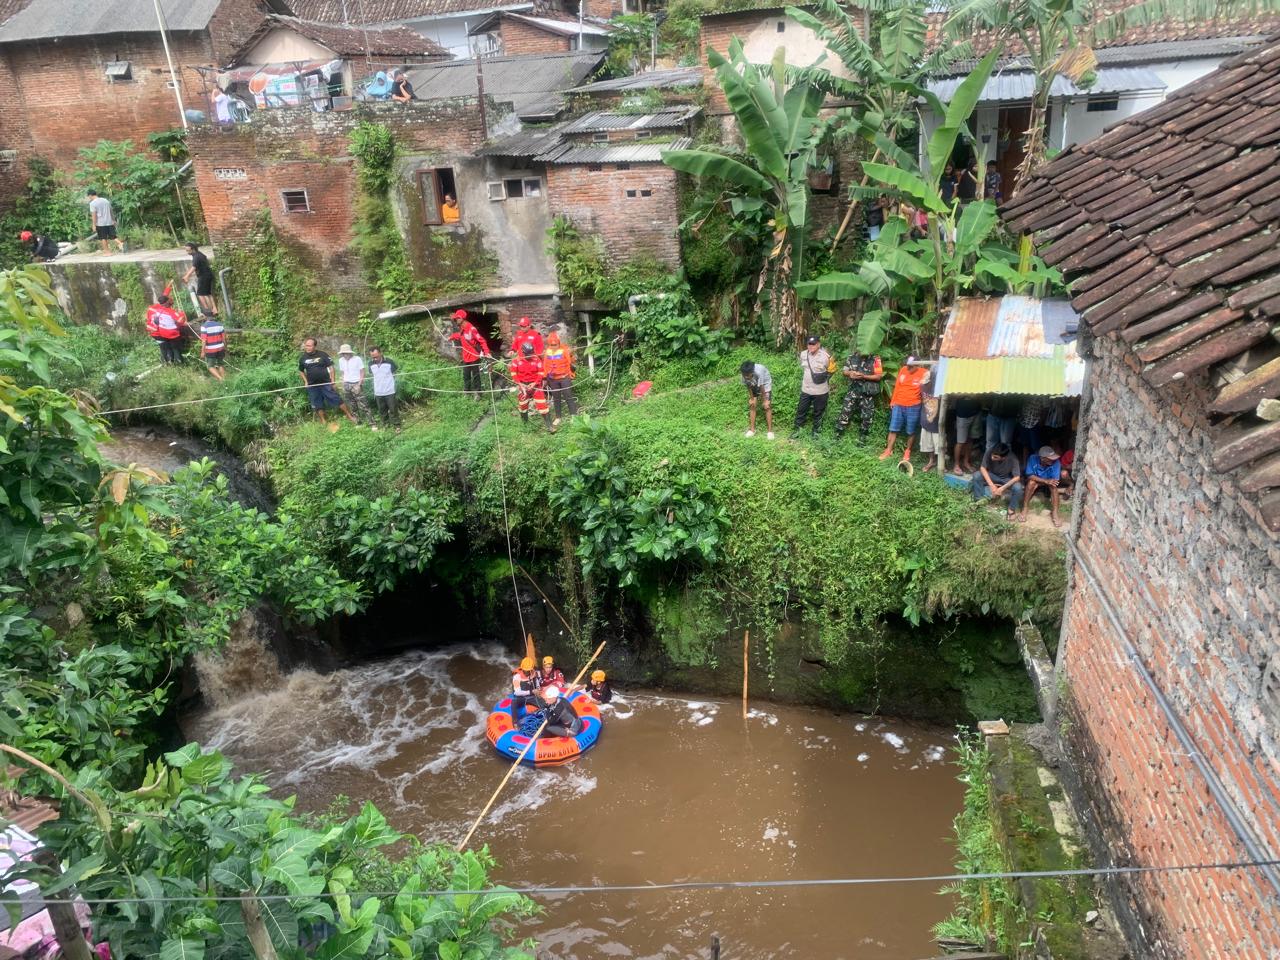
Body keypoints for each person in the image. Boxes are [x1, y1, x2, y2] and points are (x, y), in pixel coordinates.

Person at [879, 357, 931, 462]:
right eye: (908, 365)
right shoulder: (903, 369)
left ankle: (907, 451)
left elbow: (929, 387)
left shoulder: (925, 373)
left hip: (914, 405)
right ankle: (888, 450)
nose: (908, 368)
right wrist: (892, 401)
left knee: (911, 430)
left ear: (918, 365)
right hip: (898, 403)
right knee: (893, 428)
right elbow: (897, 386)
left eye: (911, 366)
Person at [298, 338, 358, 428]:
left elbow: (331, 367)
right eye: (306, 345)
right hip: (313, 385)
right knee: (317, 403)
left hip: (326, 383)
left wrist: (332, 381)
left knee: (336, 399)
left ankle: (349, 416)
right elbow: (301, 371)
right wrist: (306, 382)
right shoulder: (303, 358)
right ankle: (323, 420)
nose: (307, 347)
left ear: (314, 346)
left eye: (310, 345)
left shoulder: (322, 355)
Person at [835, 349, 882, 442]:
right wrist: (850, 373)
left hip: (867, 392)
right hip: (853, 390)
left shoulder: (876, 359)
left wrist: (864, 376)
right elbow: (844, 371)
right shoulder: (851, 357)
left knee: (867, 416)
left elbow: (878, 376)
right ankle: (838, 434)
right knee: (845, 412)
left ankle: (863, 437)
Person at [794, 335, 834, 439]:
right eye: (809, 344)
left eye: (813, 344)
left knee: (818, 412)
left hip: (821, 391)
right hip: (806, 389)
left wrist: (824, 379)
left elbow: (832, 370)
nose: (811, 346)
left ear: (818, 344)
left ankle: (816, 432)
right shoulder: (803, 354)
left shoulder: (826, 356)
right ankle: (797, 430)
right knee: (801, 411)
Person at [970, 442, 1024, 518]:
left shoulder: (1013, 458)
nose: (992, 458)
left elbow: (1017, 477)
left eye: (995, 457)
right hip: (993, 475)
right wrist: (992, 485)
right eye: (992, 455)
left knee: (1018, 487)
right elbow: (982, 468)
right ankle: (979, 501)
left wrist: (1002, 488)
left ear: (1003, 458)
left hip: (1006, 479)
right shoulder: (990, 451)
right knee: (977, 475)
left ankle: (1011, 509)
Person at [448, 309, 491, 397]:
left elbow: (482, 340)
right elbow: (460, 335)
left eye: (458, 318)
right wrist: (452, 337)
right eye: (456, 319)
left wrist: (486, 352)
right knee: (466, 375)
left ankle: (477, 393)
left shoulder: (471, 329)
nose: (456, 320)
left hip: (474, 356)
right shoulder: (462, 328)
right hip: (466, 356)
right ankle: (467, 392)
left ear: (463, 318)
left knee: (475, 375)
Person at [511, 341, 553, 431]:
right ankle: (525, 425)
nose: (530, 356)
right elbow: (514, 374)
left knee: (542, 405)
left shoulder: (536, 359)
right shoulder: (516, 361)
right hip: (523, 386)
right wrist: (520, 384)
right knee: (523, 406)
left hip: (535, 386)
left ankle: (550, 426)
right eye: (528, 354)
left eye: (531, 353)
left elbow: (541, 372)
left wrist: (535, 383)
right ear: (523, 352)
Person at [1022, 445, 1064, 527]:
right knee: (1031, 483)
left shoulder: (1056, 462)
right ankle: (1025, 507)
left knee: (1054, 487)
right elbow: (1030, 475)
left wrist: (1048, 481)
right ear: (1042, 458)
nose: (1053, 459)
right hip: (1038, 480)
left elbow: (1055, 480)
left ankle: (1055, 512)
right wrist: (1045, 481)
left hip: (1049, 481)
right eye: (1050, 458)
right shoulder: (1033, 458)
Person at [543, 331, 578, 424]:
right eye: (552, 345)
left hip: (564, 377)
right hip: (553, 379)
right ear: (549, 344)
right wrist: (545, 378)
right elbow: (545, 366)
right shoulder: (547, 352)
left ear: (559, 343)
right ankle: (558, 417)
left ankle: (574, 416)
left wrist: (572, 356)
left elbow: (571, 362)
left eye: (555, 344)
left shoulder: (565, 350)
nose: (554, 346)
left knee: (568, 396)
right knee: (556, 398)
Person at [144, 291, 187, 365]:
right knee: (173, 348)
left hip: (155, 332)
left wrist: (169, 285)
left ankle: (167, 363)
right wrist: (181, 313)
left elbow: (164, 294)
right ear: (166, 302)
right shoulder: (169, 311)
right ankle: (177, 363)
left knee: (164, 348)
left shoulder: (154, 309)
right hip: (164, 333)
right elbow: (180, 321)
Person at [336, 344, 373, 427]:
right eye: (343, 353)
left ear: (350, 352)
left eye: (346, 353)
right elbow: (342, 372)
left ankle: (372, 424)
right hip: (346, 384)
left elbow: (362, 371)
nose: (344, 355)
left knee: (364, 405)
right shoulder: (341, 360)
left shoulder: (357, 359)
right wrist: (342, 382)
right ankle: (358, 423)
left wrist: (359, 384)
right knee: (352, 405)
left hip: (356, 383)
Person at [368, 346, 401, 432]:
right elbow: (372, 374)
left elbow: (395, 372)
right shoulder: (370, 364)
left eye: (376, 356)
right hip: (378, 391)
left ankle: (397, 425)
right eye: (372, 357)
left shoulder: (389, 361)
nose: (374, 358)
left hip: (389, 390)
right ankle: (385, 424)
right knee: (382, 410)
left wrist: (390, 382)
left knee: (393, 409)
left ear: (380, 353)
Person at [739, 360, 775, 439]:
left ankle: (770, 431)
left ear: (752, 372)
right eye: (744, 375)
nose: (746, 377)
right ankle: (752, 430)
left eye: (747, 375)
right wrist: (752, 398)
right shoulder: (744, 373)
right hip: (753, 382)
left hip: (765, 383)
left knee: (767, 406)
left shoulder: (759, 371)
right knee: (752, 405)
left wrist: (765, 400)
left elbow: (761, 387)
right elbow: (748, 385)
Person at [182, 242, 217, 316]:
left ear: (193, 249)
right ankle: (214, 309)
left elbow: (193, 267)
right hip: (208, 275)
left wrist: (187, 276)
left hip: (203, 277)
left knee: (201, 294)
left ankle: (208, 311)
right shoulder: (200, 254)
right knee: (208, 293)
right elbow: (199, 266)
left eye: (188, 250)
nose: (187, 252)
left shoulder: (196, 257)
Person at [87, 190, 124, 254]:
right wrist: (113, 220)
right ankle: (120, 243)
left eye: (88, 196)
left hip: (100, 223)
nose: (88, 197)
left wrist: (94, 225)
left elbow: (94, 215)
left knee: (103, 238)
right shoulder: (105, 200)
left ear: (90, 195)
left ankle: (107, 252)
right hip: (109, 222)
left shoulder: (92, 203)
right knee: (113, 236)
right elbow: (111, 211)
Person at [952, 395, 981, 474]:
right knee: (960, 442)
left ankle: (966, 462)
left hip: (976, 412)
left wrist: (967, 395)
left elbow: (979, 396)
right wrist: (970, 394)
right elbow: (955, 394)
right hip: (962, 414)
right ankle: (956, 465)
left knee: (970, 439)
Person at [198, 309, 226, 381]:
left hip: (210, 350)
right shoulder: (220, 324)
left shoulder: (204, 326)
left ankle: (221, 379)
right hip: (220, 348)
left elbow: (204, 340)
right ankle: (224, 380)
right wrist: (225, 347)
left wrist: (203, 352)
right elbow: (224, 338)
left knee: (210, 366)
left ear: (205, 316)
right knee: (221, 364)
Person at [510, 657, 538, 724]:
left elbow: (537, 684)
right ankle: (515, 723)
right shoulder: (517, 677)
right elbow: (517, 692)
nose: (527, 672)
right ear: (522, 668)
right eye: (525, 670)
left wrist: (538, 690)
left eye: (529, 670)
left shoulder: (534, 673)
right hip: (521, 698)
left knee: (544, 704)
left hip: (532, 697)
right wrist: (531, 691)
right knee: (513, 702)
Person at [920, 392, 941, 472]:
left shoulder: (940, 385)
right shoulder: (923, 384)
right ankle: (931, 461)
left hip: (937, 421)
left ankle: (941, 463)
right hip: (926, 418)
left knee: (939, 443)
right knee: (928, 442)